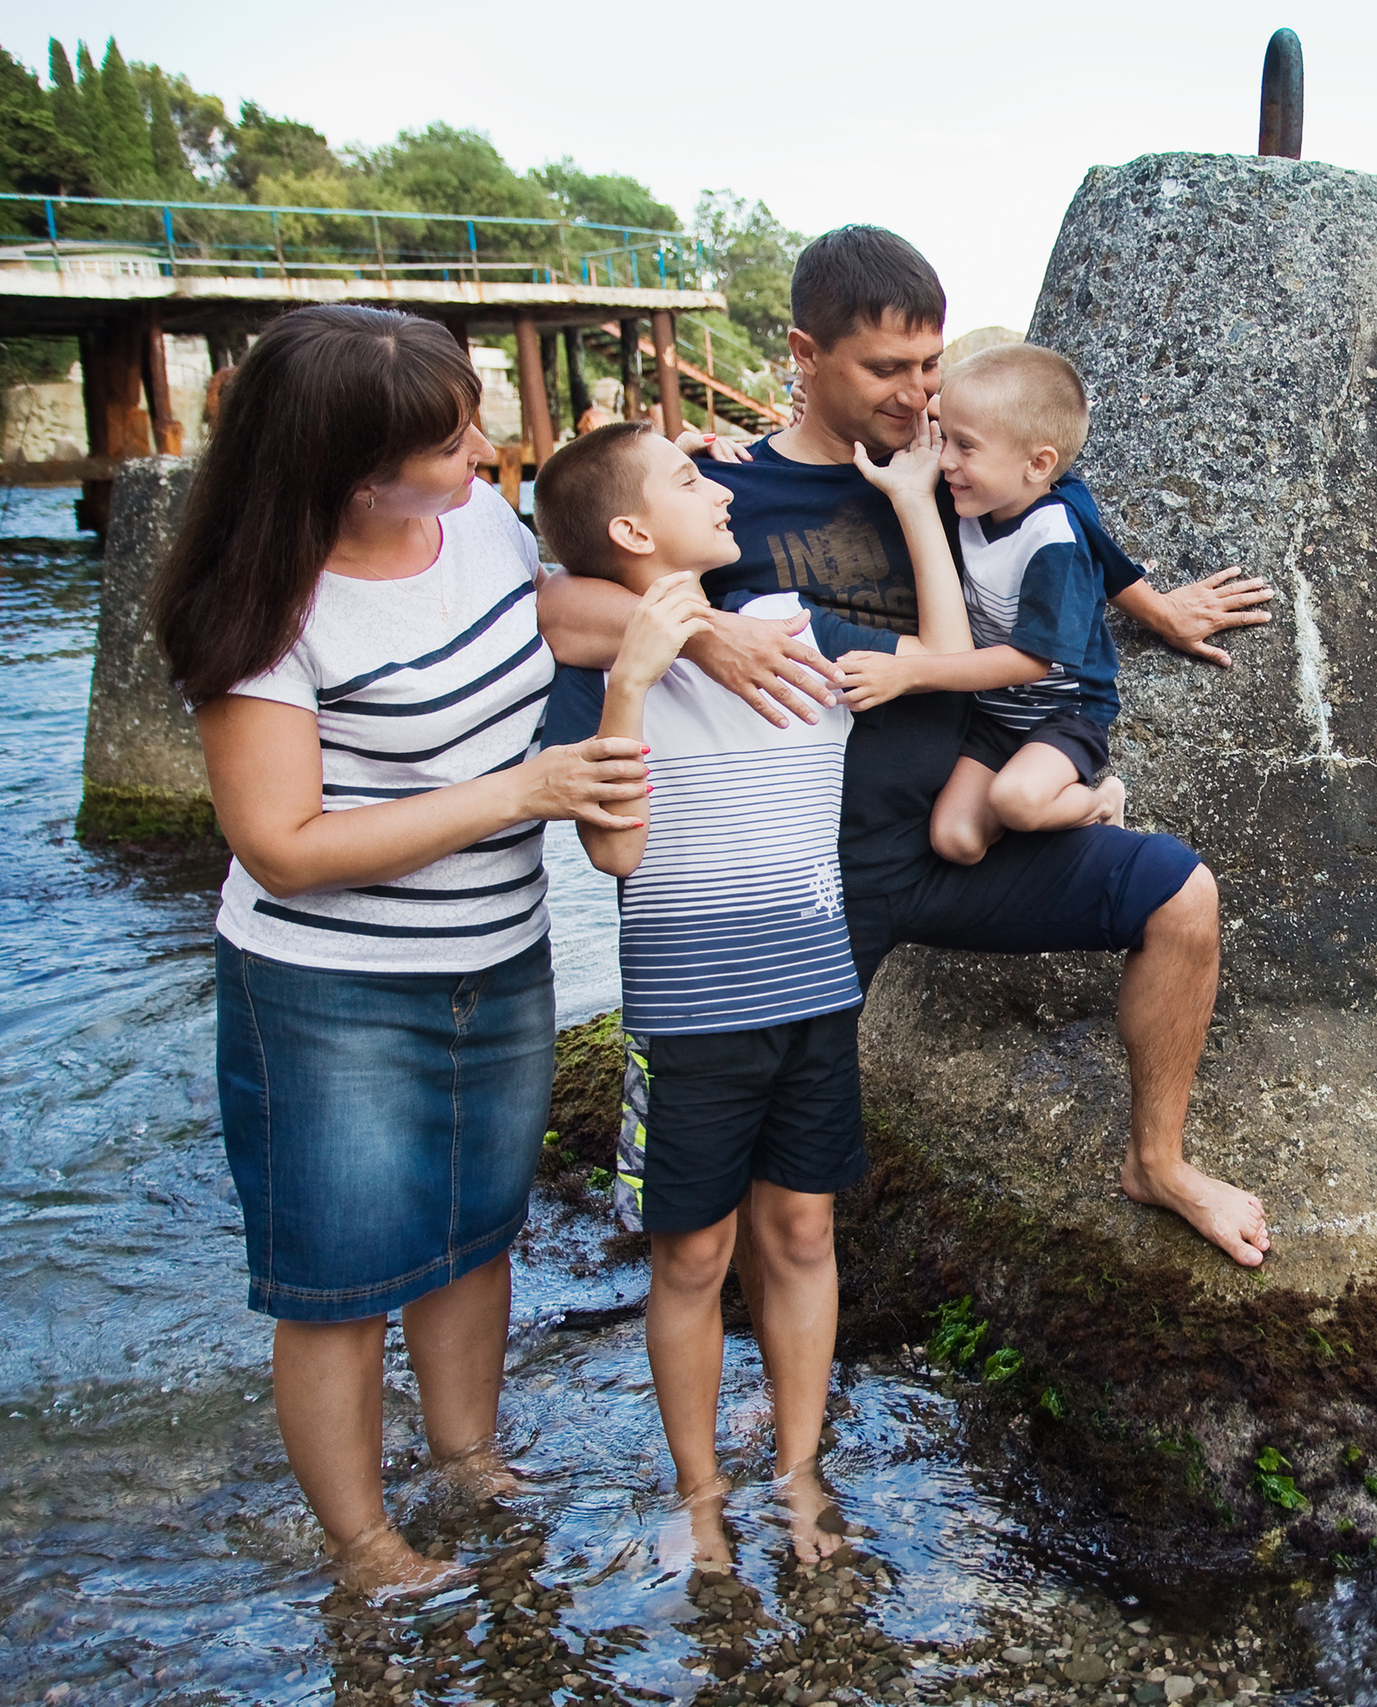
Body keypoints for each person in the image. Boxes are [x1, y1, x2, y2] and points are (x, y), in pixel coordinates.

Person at [538, 225, 1276, 1265]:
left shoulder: (950, 464)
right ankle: (760, 1355)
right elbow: (559, 608)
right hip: (801, 878)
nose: (915, 391)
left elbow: (1067, 517)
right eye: (887, 368)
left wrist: (1155, 608)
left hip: (952, 835)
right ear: (804, 355)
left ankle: (1155, 1161)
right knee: (772, 1178)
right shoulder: (720, 495)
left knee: (1180, 896)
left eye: (928, 365)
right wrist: (711, 629)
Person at [149, 304, 655, 1599]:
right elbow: (284, 843)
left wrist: (695, 630)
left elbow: (544, 609)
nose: (483, 448)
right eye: (445, 440)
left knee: (475, 1228)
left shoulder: (476, 516)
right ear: (348, 472)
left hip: (501, 951)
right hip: (329, 991)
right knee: (338, 1281)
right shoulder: (269, 608)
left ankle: (468, 1457)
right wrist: (525, 790)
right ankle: (363, 1541)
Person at [530, 416, 969, 1564]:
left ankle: (797, 1469)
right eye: (689, 478)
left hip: (814, 996)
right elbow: (614, 860)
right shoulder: (593, 674)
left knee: (805, 1234)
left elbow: (940, 645)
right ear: (631, 529)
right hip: (686, 1022)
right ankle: (699, 1494)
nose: (720, 482)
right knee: (689, 1259)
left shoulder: (790, 629)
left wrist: (917, 499)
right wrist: (633, 675)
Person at [895, 341, 1133, 863]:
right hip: (995, 716)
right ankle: (1032, 823)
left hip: (1062, 713)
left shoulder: (1055, 541)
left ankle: (1098, 800)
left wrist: (912, 672)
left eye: (966, 446)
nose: (946, 460)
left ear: (1037, 463)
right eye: (945, 438)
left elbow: (1032, 660)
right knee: (955, 840)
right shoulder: (977, 501)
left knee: (1015, 800)